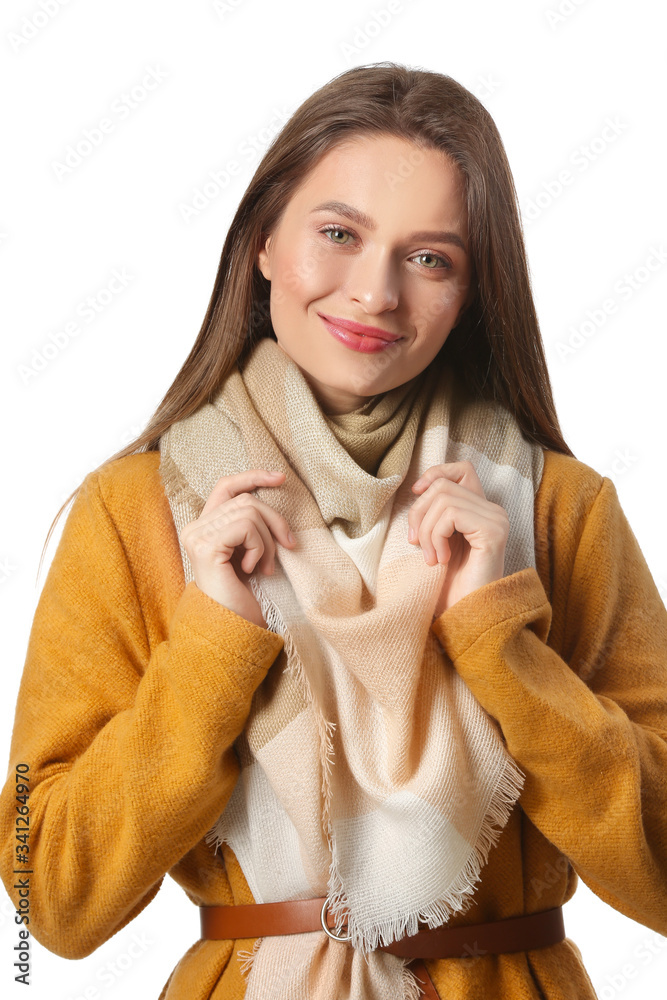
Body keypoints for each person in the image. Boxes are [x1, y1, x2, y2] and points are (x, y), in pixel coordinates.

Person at [1, 61, 666, 1000]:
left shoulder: (557, 509)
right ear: (262, 242)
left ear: (473, 290)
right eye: (338, 235)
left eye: (429, 257)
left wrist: (500, 646)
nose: (375, 293)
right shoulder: (134, 511)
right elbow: (50, 895)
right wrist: (211, 646)